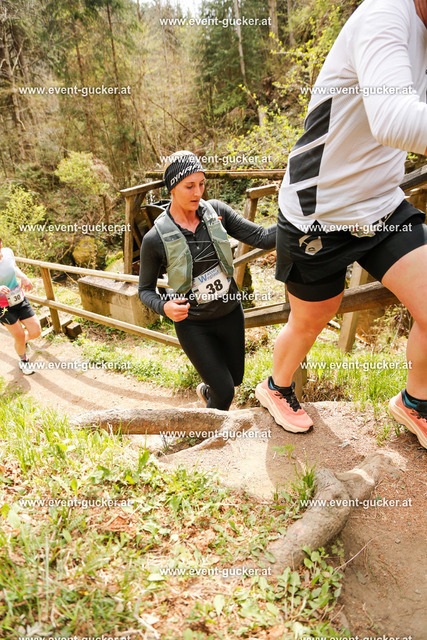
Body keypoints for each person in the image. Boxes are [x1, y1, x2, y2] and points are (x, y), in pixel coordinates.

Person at [255, 0, 427, 448]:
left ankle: (416, 401)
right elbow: (395, 120)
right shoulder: (384, 16)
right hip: (319, 211)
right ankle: (276, 387)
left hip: (382, 205)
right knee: (312, 317)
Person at [138, 150, 276, 410]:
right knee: (224, 393)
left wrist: (300, 223)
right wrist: (164, 307)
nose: (198, 192)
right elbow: (144, 290)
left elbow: (262, 237)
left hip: (230, 312)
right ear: (172, 188)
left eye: (201, 184)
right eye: (189, 186)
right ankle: (212, 431)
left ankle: (206, 391)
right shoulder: (154, 239)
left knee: (234, 379)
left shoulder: (217, 212)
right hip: (194, 324)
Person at [0, 238, 41, 375]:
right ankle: (24, 361)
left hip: (19, 298)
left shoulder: (8, 252)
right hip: (3, 307)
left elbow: (14, 267)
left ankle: (22, 343)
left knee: (36, 331)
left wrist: (23, 276)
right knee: (19, 335)